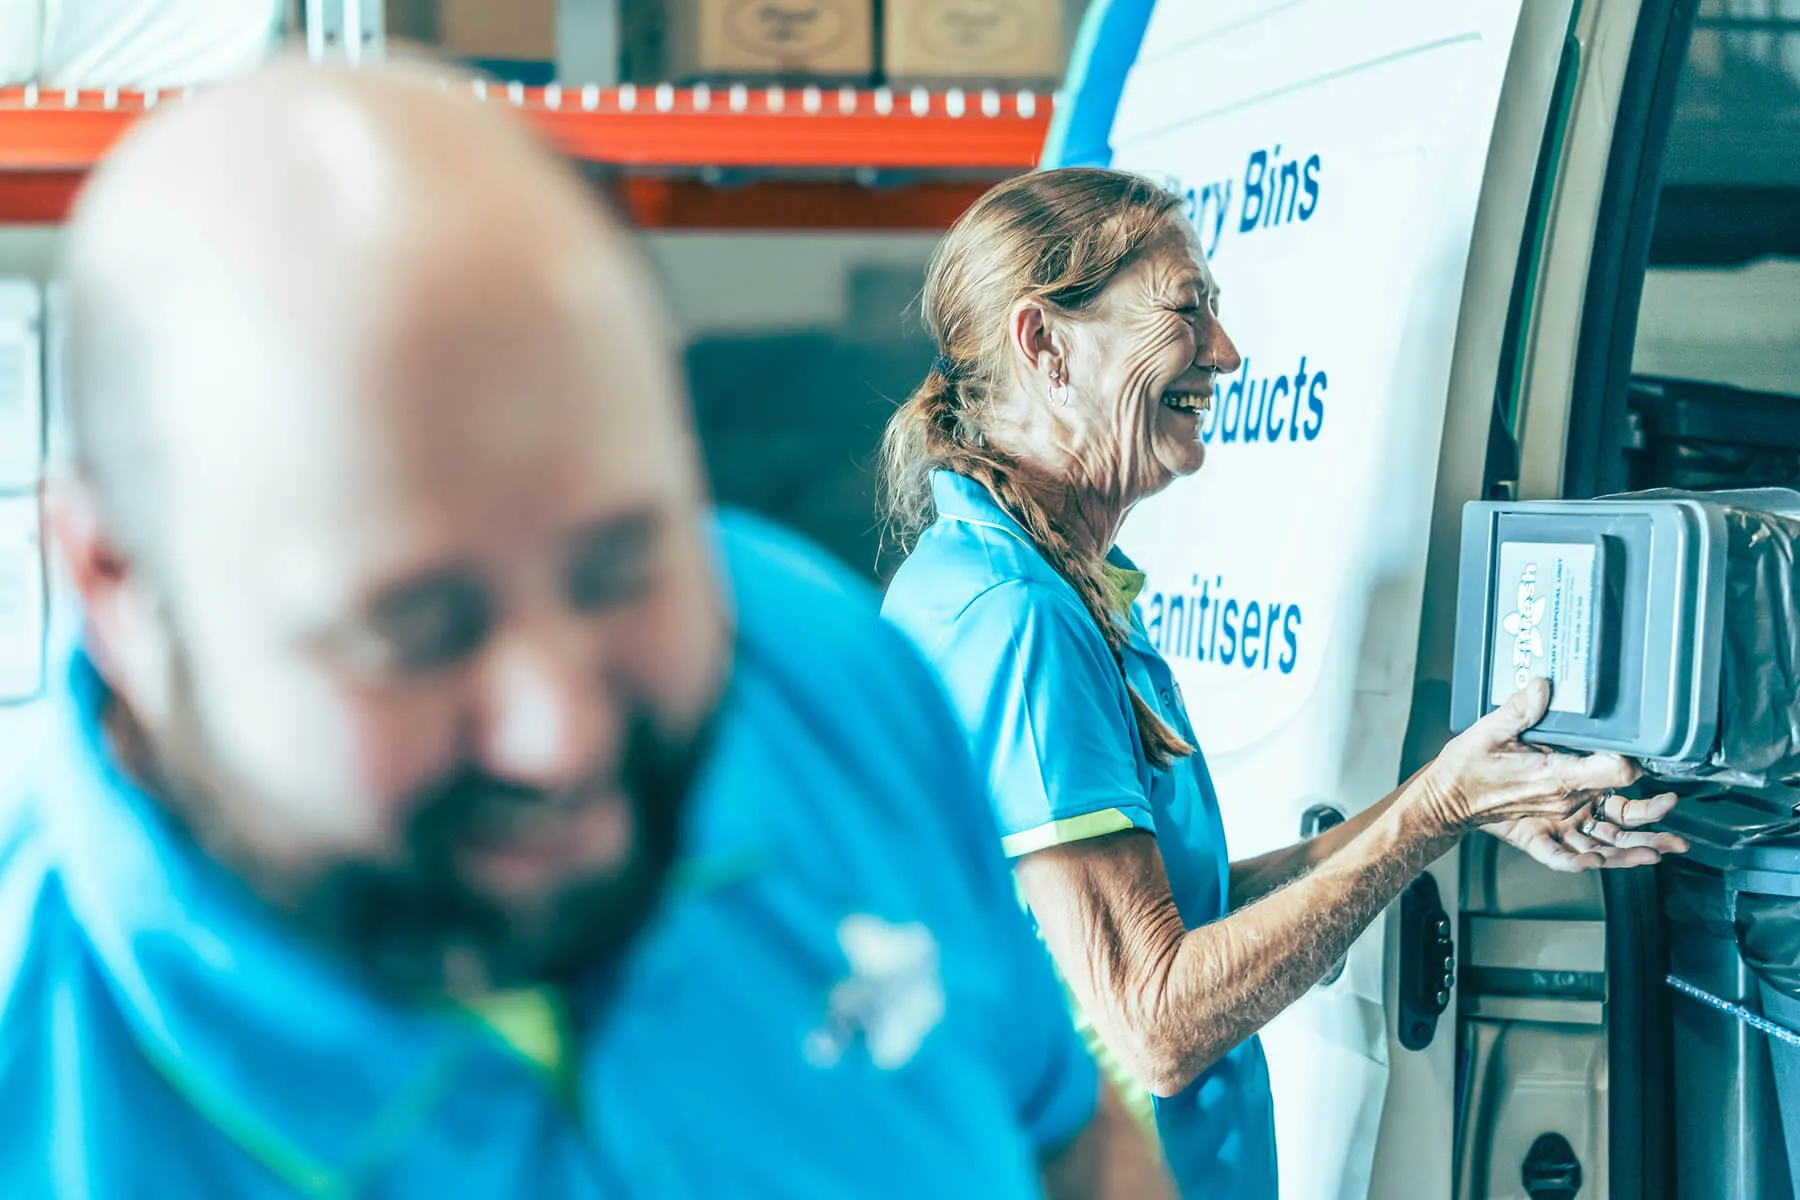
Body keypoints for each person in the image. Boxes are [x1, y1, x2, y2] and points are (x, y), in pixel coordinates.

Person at [0, 67, 1168, 1198]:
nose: (561, 734)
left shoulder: (811, 670)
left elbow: (1063, 1133)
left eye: (620, 566)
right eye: (416, 630)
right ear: (110, 581)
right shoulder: (50, 1107)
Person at [878, 167, 1688, 1199]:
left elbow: (1184, 913)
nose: (1226, 351)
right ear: (1047, 344)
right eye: (1187, 308)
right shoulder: (1016, 619)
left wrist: (1459, 793)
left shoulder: (1013, 581)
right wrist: (1436, 812)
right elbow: (1156, 1021)